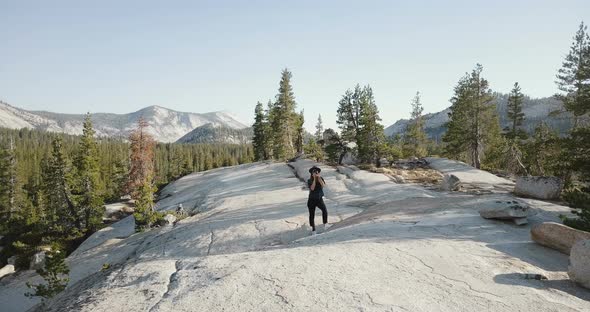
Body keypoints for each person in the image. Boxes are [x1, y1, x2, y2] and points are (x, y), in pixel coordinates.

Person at [307, 166, 329, 235]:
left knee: (324, 210)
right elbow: (312, 188)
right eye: (314, 172)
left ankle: (325, 224)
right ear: (311, 173)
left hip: (319, 199)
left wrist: (319, 178)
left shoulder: (321, 178)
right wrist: (314, 179)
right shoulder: (309, 180)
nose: (315, 173)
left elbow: (323, 186)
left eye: (317, 171)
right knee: (312, 215)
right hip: (311, 200)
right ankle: (313, 230)